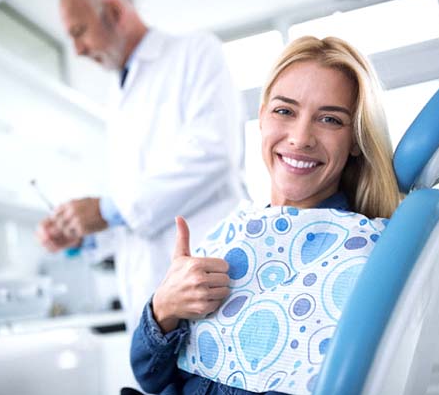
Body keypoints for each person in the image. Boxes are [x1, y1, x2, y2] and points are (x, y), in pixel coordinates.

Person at [128, 35, 401, 394]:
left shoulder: (359, 254)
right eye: (285, 111)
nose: (301, 138)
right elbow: (150, 377)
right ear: (261, 118)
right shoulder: (230, 236)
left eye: (330, 120)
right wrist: (164, 309)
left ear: (354, 139)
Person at [36, 0, 246, 333]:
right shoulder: (118, 97)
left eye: (79, 31)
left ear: (114, 12)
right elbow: (135, 208)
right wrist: (83, 231)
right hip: (151, 305)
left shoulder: (195, 52)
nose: (78, 50)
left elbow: (213, 153)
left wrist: (103, 210)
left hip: (207, 288)